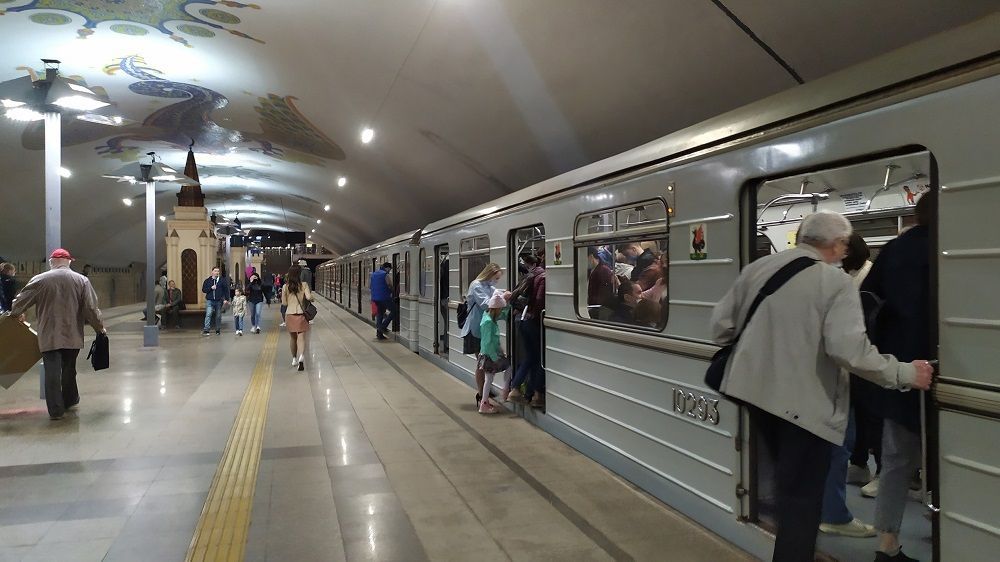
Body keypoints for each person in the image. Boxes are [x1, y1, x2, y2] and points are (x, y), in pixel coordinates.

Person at [710, 211, 933, 562]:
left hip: (752, 393)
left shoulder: (758, 269)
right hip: (804, 406)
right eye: (844, 244)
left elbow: (721, 328)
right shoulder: (835, 282)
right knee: (802, 499)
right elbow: (850, 352)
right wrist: (905, 373)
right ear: (838, 244)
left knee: (787, 488)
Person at [864, 195, 933, 562]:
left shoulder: (892, 251)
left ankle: (887, 543)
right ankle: (946, 525)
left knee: (895, 461)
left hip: (900, 369)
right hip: (945, 371)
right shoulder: (951, 250)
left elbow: (869, 304)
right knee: (948, 458)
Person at [819, 233, 877, 538]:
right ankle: (833, 514)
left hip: (832, 376)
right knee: (839, 442)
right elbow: (851, 344)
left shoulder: (842, 280)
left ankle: (827, 509)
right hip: (839, 375)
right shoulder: (843, 282)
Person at [6, 249, 105, 420]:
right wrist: (99, 328)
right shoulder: (82, 280)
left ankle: (56, 411)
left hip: (49, 334)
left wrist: (16, 313)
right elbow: (90, 308)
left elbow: (19, 303)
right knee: (69, 369)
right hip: (73, 334)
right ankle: (70, 400)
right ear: (69, 262)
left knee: (51, 372)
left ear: (51, 262)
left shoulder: (40, 279)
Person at [459, 263, 508, 406]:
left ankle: (484, 392)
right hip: (475, 329)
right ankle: (481, 395)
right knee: (482, 363)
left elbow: (497, 294)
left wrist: (505, 295)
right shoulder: (476, 285)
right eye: (496, 278)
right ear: (489, 274)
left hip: (484, 330)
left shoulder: (488, 286)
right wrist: (503, 298)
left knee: (484, 362)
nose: (496, 281)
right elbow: (486, 304)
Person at [507, 253, 546, 407]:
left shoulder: (531, 275)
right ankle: (536, 395)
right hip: (534, 322)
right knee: (541, 358)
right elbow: (540, 301)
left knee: (531, 357)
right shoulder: (543, 277)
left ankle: (518, 390)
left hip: (523, 320)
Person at [478, 290, 511, 414]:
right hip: (489, 355)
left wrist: (507, 302)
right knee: (508, 367)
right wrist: (495, 357)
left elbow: (504, 314)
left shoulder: (488, 317)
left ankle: (484, 403)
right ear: (496, 309)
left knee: (489, 379)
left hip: (487, 354)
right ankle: (504, 391)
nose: (501, 311)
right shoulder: (488, 323)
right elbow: (488, 343)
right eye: (500, 309)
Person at [281, 265, 312, 371]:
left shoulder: (285, 287)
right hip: (301, 314)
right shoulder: (304, 285)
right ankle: (301, 357)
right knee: (301, 337)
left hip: (289, 314)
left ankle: (294, 359)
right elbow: (309, 297)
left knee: (293, 338)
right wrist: (312, 298)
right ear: (299, 274)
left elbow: (284, 303)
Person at [586, 248, 615, 320]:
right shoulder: (590, 271)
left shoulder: (604, 271)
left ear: (591, 257)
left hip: (597, 311)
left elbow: (603, 296)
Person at [202, 267, 230, 336]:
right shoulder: (208, 280)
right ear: (212, 272)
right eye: (215, 271)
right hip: (210, 300)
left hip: (218, 301)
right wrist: (211, 288)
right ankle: (206, 329)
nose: (217, 272)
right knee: (208, 314)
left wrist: (226, 299)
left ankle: (217, 329)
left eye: (218, 271)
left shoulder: (222, 280)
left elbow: (226, 290)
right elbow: (204, 290)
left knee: (218, 316)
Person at [370, 263, 394, 340]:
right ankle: (382, 327)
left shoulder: (373, 274)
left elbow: (370, 286)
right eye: (390, 269)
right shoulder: (385, 275)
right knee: (395, 311)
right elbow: (390, 285)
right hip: (384, 297)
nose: (390, 271)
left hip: (375, 298)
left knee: (380, 313)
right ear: (387, 268)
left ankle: (379, 334)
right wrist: (392, 291)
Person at [439, 257, 449, 352]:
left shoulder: (442, 266)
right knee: (448, 323)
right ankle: (446, 345)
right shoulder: (448, 265)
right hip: (446, 298)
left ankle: (446, 344)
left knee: (447, 323)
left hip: (442, 298)